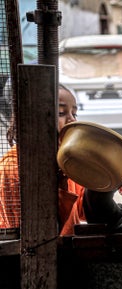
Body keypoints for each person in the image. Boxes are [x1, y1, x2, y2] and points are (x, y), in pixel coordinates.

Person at [1, 84, 86, 237]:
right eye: (61, 113)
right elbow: (22, 235)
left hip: (71, 250)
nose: (72, 120)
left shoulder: (65, 160)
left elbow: (83, 210)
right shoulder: (13, 167)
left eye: (74, 114)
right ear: (34, 118)